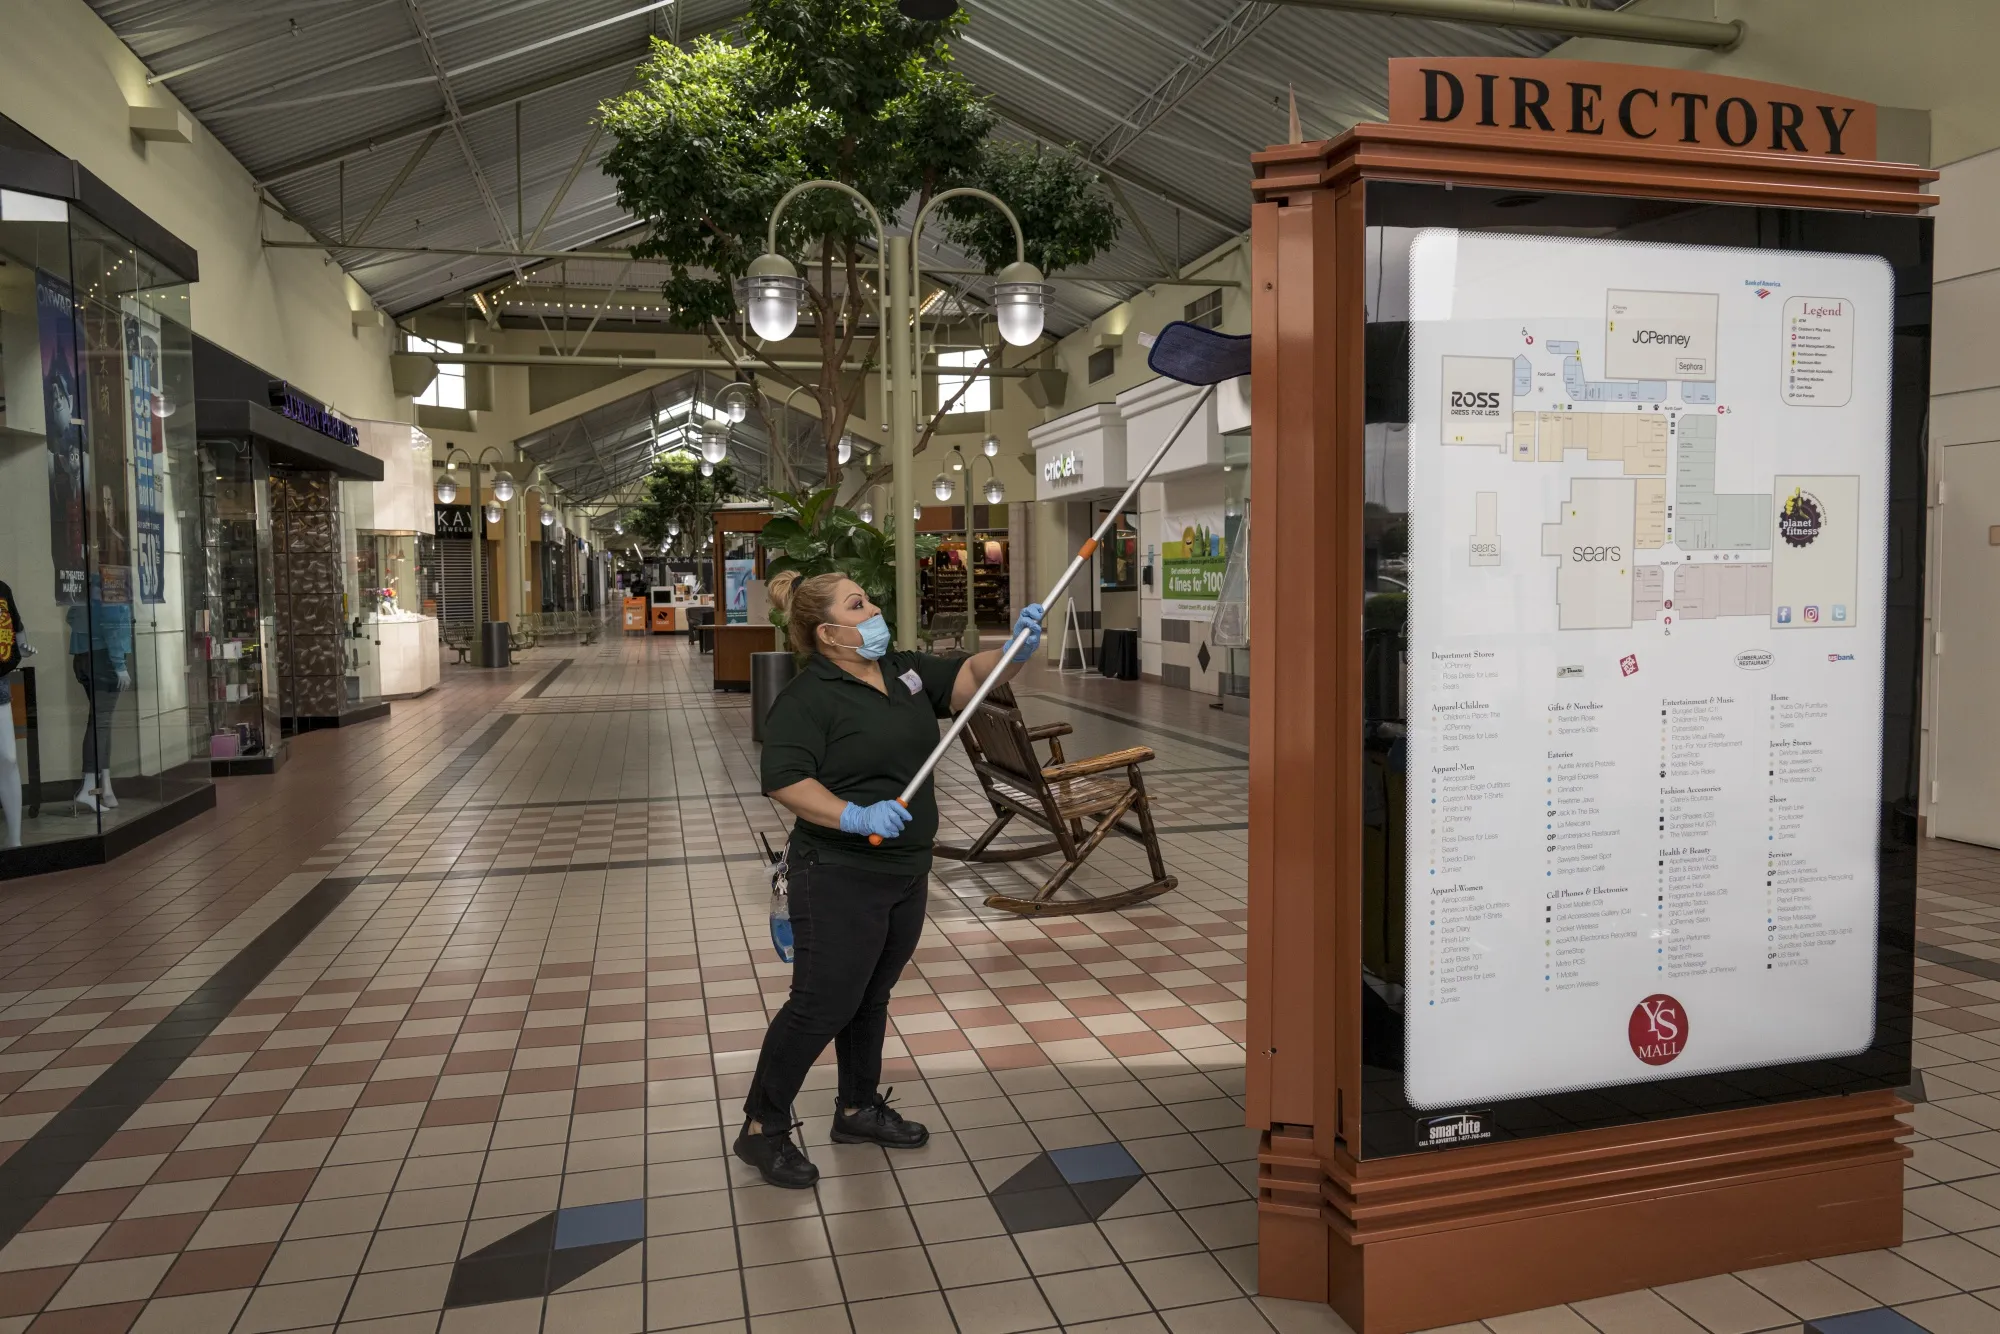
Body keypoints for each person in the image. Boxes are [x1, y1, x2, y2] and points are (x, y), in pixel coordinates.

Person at [739, 571, 1044, 1188]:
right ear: (828, 633)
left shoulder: (902, 672)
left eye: (869, 597)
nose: (875, 607)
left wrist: (1012, 652)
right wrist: (853, 815)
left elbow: (966, 680)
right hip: (838, 874)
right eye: (859, 604)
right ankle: (760, 1127)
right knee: (820, 1004)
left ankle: (856, 1108)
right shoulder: (808, 697)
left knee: (870, 996)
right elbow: (784, 779)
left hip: (905, 868)